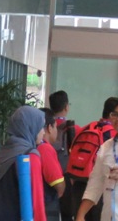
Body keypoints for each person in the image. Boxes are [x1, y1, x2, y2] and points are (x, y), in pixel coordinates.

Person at [0, 105, 51, 221]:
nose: (43, 132)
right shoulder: (30, 155)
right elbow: (36, 202)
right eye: (41, 126)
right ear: (30, 126)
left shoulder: (3, 152)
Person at [69, 97, 118, 221]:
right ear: (112, 115)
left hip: (78, 184)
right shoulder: (113, 135)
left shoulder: (86, 128)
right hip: (99, 189)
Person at [49, 91, 78, 221]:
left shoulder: (45, 128)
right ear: (66, 107)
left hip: (48, 175)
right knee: (67, 213)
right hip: (67, 176)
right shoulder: (74, 128)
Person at [40, 108, 68, 221]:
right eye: (55, 127)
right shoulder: (45, 148)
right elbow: (58, 184)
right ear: (49, 128)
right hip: (46, 207)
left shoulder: (30, 145)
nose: (56, 131)